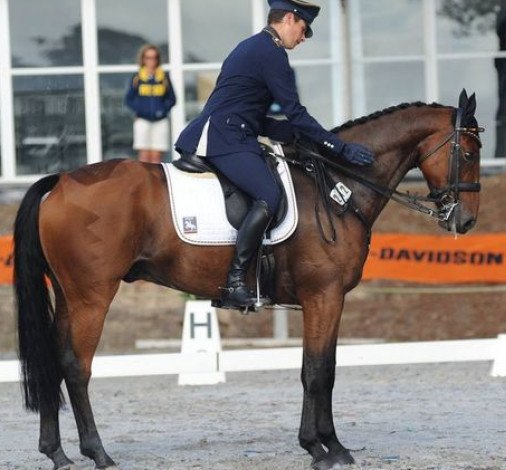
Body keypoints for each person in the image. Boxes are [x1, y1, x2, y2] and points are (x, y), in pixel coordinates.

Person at [174, 0, 374, 308]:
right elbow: (294, 112)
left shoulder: (256, 47)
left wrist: (299, 136)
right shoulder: (271, 53)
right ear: (291, 18)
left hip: (233, 131)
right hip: (223, 137)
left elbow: (255, 115)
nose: (304, 38)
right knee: (269, 195)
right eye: (304, 29)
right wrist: (338, 146)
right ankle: (235, 281)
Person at [125, 44, 176, 164]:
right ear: (143, 59)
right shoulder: (137, 77)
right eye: (148, 57)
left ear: (158, 59)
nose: (151, 61)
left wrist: (162, 110)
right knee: (143, 157)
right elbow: (128, 99)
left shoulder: (164, 77)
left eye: (154, 57)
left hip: (160, 121)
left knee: (156, 157)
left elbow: (172, 99)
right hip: (142, 120)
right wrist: (140, 111)